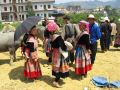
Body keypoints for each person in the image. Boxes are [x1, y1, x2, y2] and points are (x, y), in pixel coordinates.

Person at [48, 21, 69, 88]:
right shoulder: (58, 37)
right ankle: (56, 81)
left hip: (54, 53)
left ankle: (57, 79)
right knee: (59, 66)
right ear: (55, 29)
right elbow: (62, 46)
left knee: (56, 66)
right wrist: (66, 47)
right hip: (59, 54)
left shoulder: (52, 37)